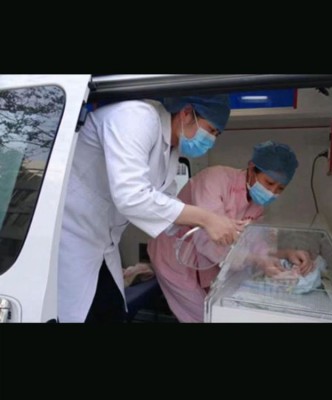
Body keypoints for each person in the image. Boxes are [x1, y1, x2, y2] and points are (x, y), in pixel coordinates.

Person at [58, 95, 245, 323]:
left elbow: (165, 200)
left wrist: (210, 224)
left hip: (102, 243)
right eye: (210, 130)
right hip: (70, 237)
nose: (211, 140)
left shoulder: (170, 148)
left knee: (112, 311)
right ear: (187, 113)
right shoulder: (136, 117)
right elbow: (132, 196)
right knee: (81, 314)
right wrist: (206, 218)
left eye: (216, 135)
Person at [147, 140, 315, 323]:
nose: (272, 192)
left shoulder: (258, 205)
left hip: (208, 260)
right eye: (269, 183)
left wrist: (284, 253)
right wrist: (257, 261)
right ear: (251, 168)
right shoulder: (214, 179)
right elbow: (208, 239)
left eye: (280, 189)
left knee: (216, 306)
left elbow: (254, 242)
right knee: (203, 316)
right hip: (175, 254)